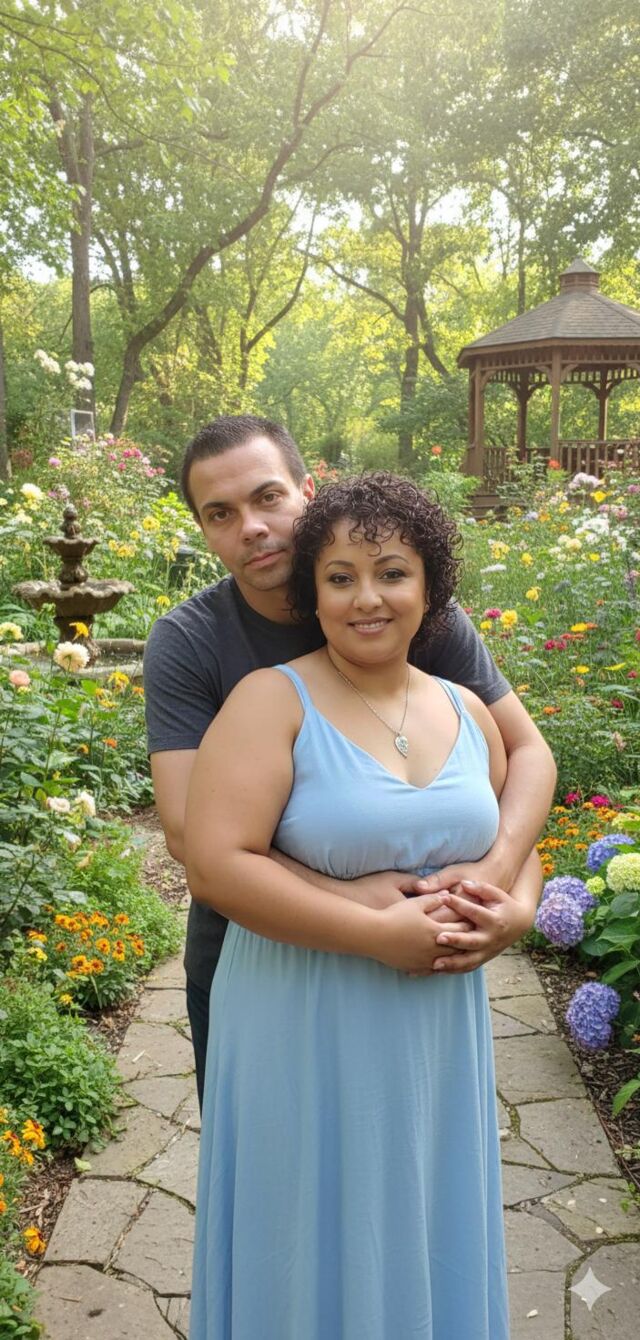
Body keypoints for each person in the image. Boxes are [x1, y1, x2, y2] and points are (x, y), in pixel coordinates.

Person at [185, 473, 544, 1338]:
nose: (367, 598)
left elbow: (517, 841)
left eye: (391, 573)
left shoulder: (466, 709)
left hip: (435, 1036)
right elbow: (216, 865)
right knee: (304, 1233)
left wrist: (518, 909)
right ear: (313, 595)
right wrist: (375, 933)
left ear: (430, 588)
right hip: (301, 1019)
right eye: (340, 577)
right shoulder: (270, 701)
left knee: (425, 1219)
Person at [144, 414, 556, 1109]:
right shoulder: (191, 641)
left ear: (306, 492)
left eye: (267, 497)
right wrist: (360, 905)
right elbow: (191, 835)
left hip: (425, 954)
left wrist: (498, 882)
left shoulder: (409, 614)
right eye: (221, 513)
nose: (251, 527)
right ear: (204, 530)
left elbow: (525, 751)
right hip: (263, 947)